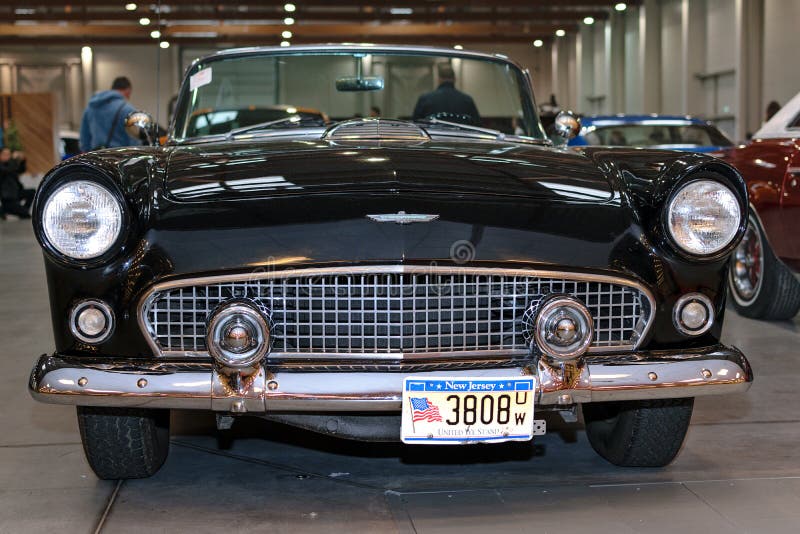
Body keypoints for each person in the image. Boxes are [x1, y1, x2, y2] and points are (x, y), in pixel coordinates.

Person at [79, 76, 139, 152]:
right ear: (128, 90)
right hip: (119, 158)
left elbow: (84, 138)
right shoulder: (127, 110)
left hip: (96, 157)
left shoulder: (91, 107)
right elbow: (134, 141)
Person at [412, 63, 480, 125]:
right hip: (462, 137)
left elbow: (416, 124)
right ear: (455, 79)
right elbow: (477, 125)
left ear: (439, 79)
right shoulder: (467, 100)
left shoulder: (425, 99)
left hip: (434, 137)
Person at [0, 148, 33, 220]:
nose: (8, 156)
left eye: (9, 154)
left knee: (32, 192)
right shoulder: (2, 166)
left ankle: (22, 210)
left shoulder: (10, 164)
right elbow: (8, 170)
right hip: (8, 198)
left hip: (16, 193)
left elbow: (21, 170)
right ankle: (4, 209)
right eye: (5, 154)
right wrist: (14, 159)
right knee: (26, 215)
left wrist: (23, 160)